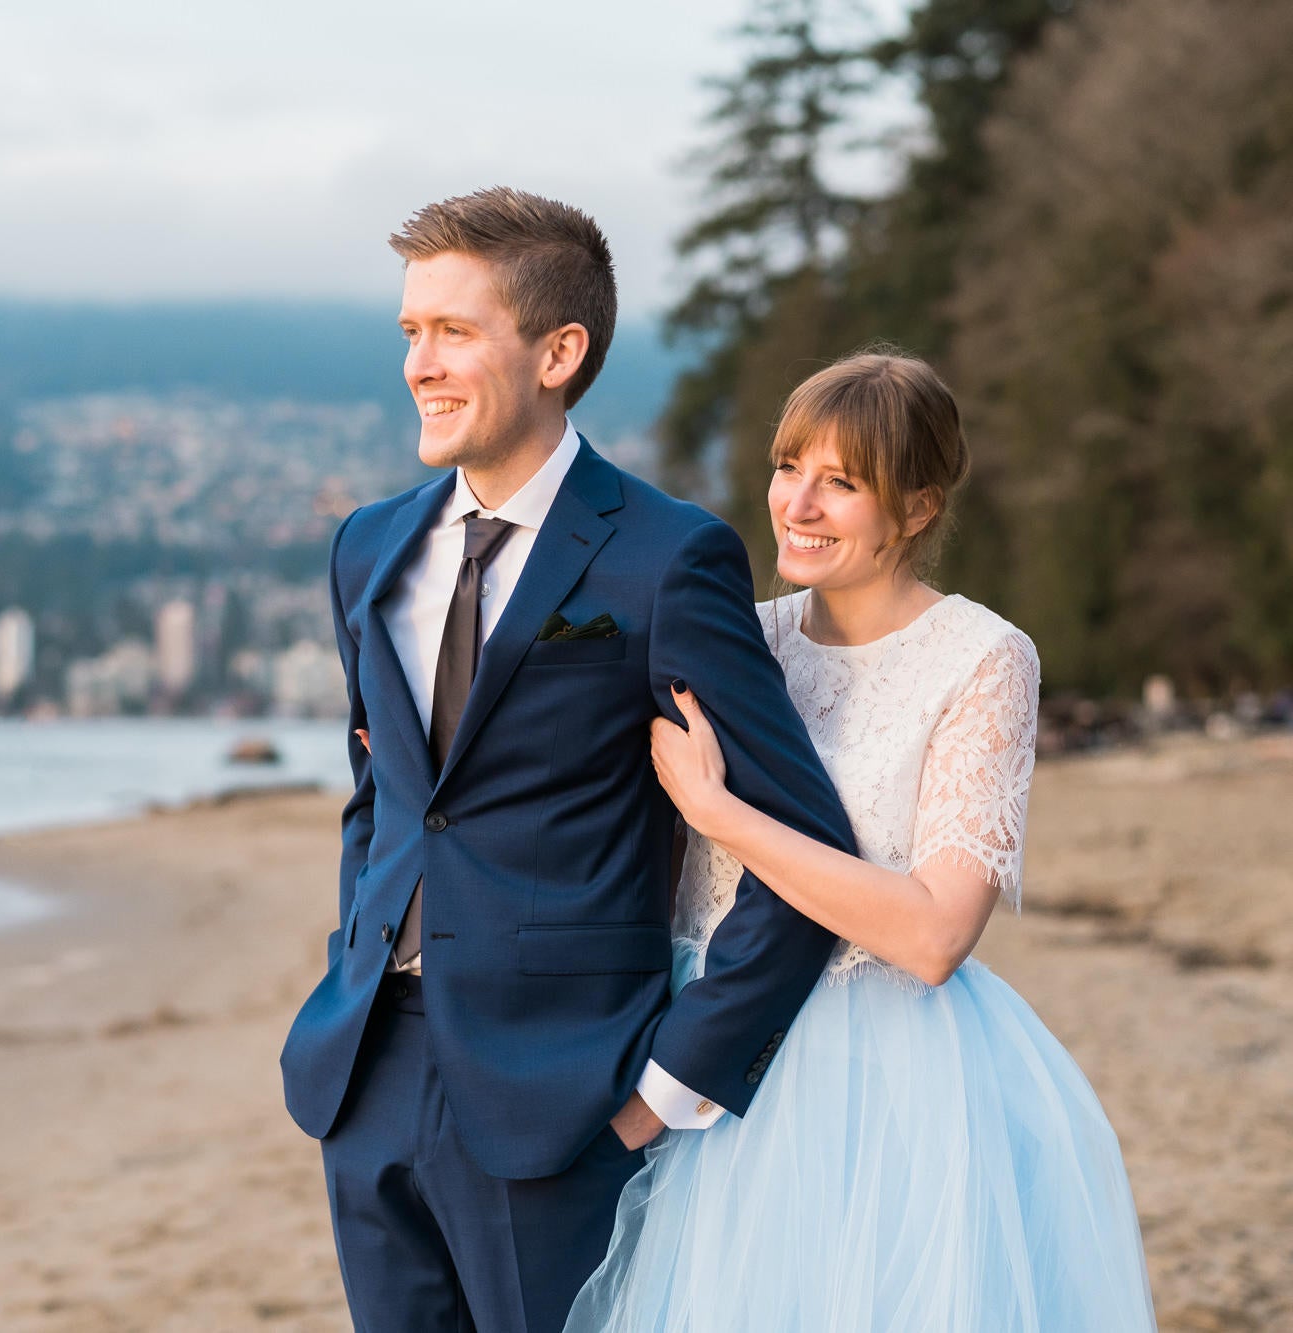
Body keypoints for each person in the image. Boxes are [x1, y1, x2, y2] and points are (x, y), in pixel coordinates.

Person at [278, 185, 859, 1332]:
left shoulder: (665, 558)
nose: (419, 366)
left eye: (453, 332)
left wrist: (665, 1086)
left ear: (558, 351)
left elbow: (806, 848)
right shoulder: (367, 547)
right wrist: (355, 957)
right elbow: (381, 800)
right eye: (408, 333)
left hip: (564, 1093)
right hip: (365, 1076)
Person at [563, 351, 1157, 1331]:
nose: (796, 502)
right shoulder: (734, 638)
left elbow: (930, 937)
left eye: (840, 482)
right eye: (787, 466)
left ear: (916, 509)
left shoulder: (981, 658)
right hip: (698, 1041)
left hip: (881, 1075)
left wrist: (722, 816)